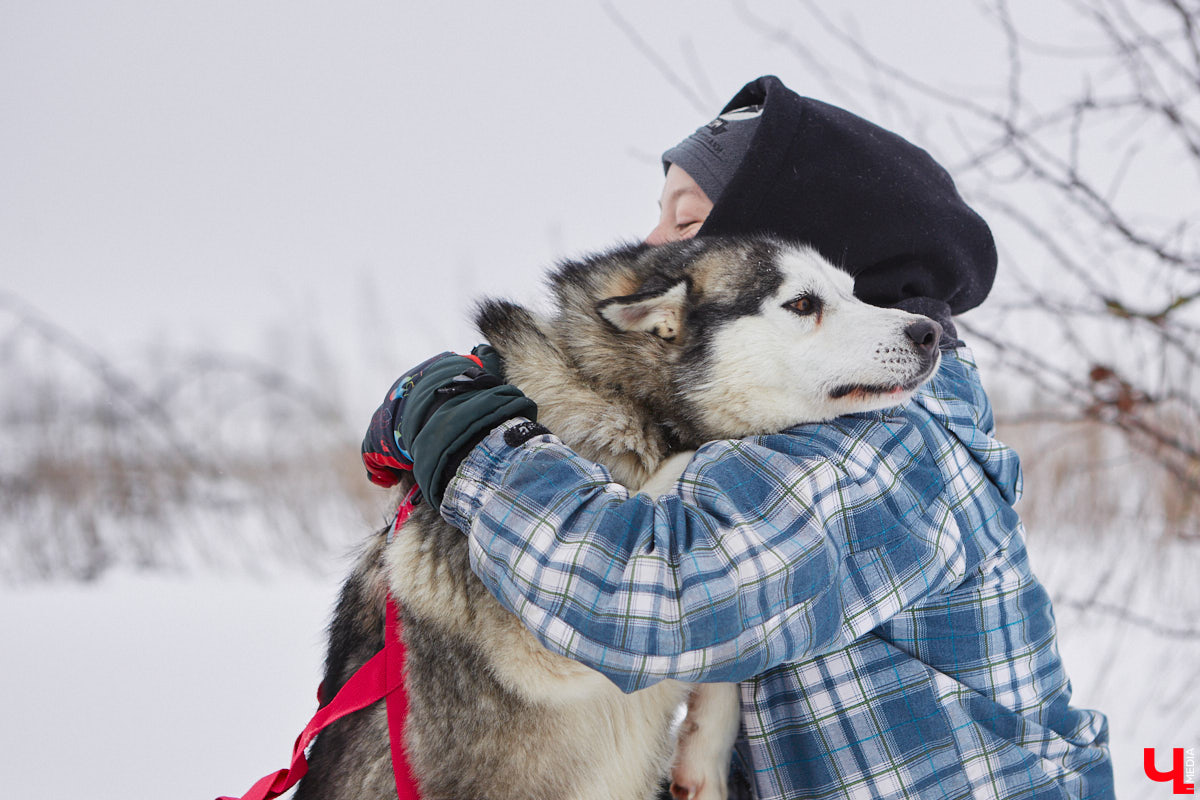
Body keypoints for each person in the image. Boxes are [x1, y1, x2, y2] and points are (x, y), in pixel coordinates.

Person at [362, 76, 1114, 800]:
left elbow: (644, 600)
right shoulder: (805, 426)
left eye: (686, 224)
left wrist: (470, 444)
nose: (652, 245)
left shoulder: (887, 450)